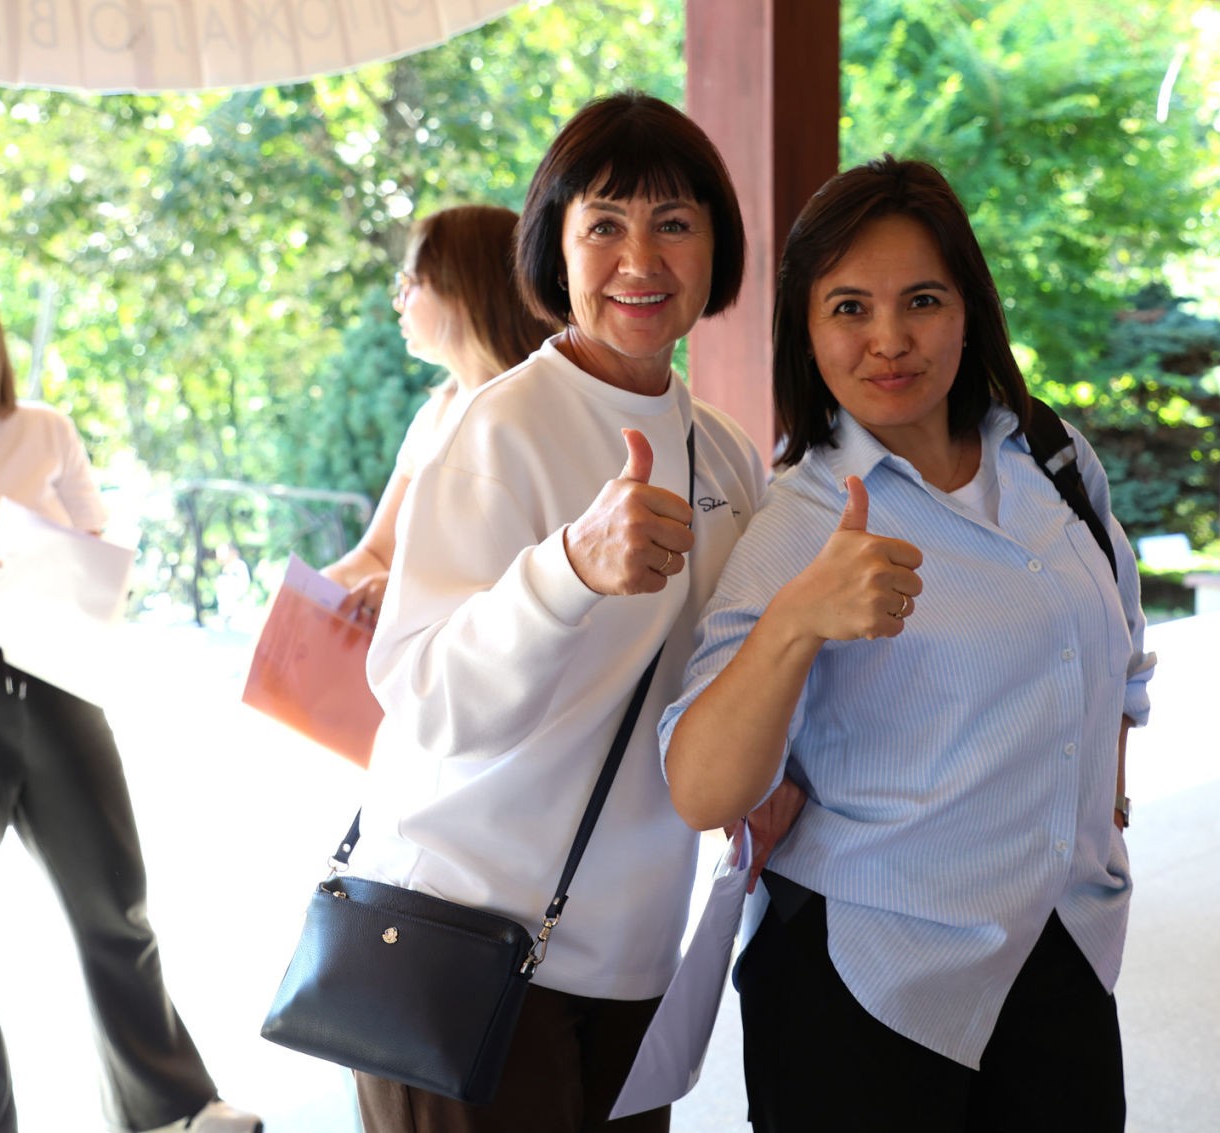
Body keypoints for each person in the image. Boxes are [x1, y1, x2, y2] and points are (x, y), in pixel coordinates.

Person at [660, 157, 1157, 1131]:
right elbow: (700, 789)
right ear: (806, 331)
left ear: (968, 309)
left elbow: (1120, 654)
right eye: (848, 307)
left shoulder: (1050, 456)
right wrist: (796, 618)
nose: (889, 339)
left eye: (921, 300)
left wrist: (1102, 811)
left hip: (1061, 949)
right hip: (867, 982)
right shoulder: (804, 519)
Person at [348, 92, 768, 1132]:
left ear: (716, 245)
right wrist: (570, 568)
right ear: (555, 246)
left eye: (674, 223)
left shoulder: (723, 451)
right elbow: (423, 695)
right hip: (462, 936)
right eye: (605, 225)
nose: (641, 259)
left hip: (631, 954)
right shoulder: (498, 427)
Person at [0, 242, 260, 1132]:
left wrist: (66, 569)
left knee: (116, 904)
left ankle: (171, 1108)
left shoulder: (40, 428)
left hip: (52, 676)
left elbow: (95, 545)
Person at [320, 205, 557, 624]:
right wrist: (315, 594)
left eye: (409, 283)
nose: (398, 302)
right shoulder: (435, 414)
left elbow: (546, 582)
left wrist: (404, 595)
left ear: (463, 289)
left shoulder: (540, 414)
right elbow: (377, 553)